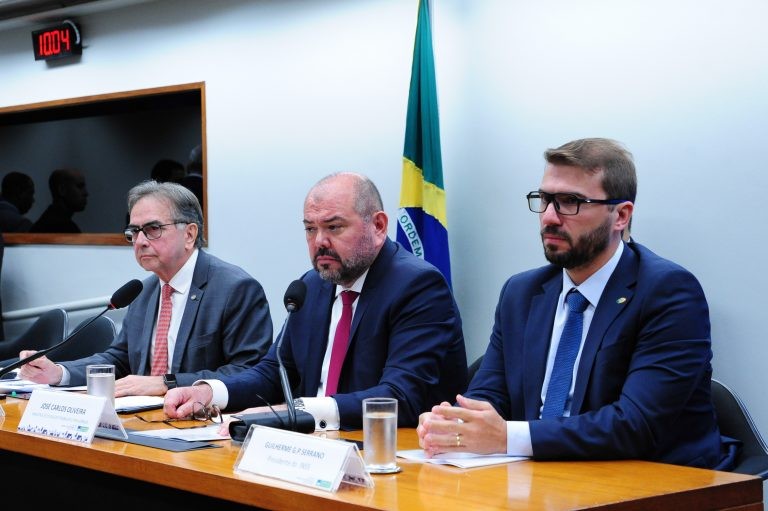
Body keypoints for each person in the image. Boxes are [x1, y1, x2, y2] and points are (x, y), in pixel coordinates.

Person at [417, 138, 735, 470]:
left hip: (650, 481)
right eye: (544, 200)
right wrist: (455, 424)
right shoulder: (522, 293)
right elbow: (489, 396)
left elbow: (636, 425)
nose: (549, 217)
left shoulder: (667, 292)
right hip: (540, 477)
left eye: (571, 202)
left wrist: (506, 437)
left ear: (621, 216)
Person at [164, 172, 467, 430]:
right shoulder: (312, 286)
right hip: (314, 448)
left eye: (334, 227)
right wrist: (210, 392)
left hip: (392, 455)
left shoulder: (417, 286)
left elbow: (398, 397)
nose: (319, 241)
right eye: (310, 229)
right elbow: (273, 370)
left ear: (378, 226)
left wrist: (300, 411)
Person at [19, 180, 273, 396]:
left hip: (204, 425)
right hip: (144, 419)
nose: (139, 241)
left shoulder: (235, 289)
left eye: (152, 229)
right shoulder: (145, 291)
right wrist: (59, 373)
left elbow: (248, 373)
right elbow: (119, 360)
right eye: (134, 231)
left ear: (189, 234)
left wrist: (165, 383)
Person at [30, 168, 88, 233]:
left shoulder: (46, 221)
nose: (86, 193)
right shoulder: (63, 228)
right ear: (62, 190)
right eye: (79, 187)